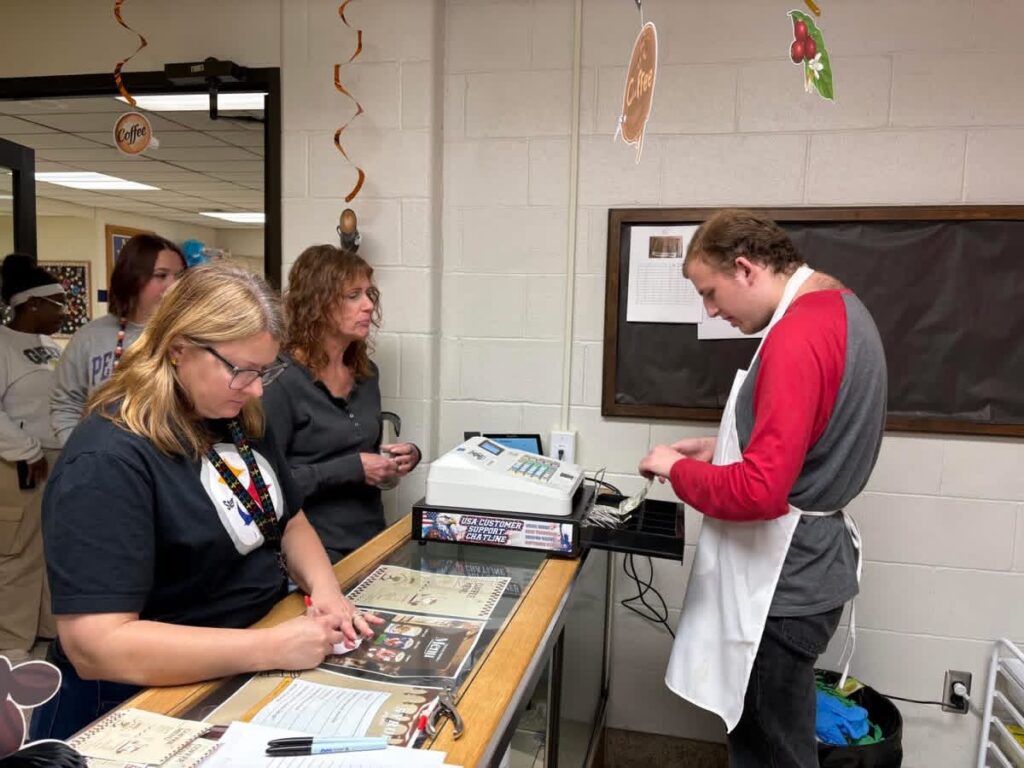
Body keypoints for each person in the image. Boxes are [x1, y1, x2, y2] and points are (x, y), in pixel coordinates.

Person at [31, 264, 382, 741]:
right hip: (128, 702)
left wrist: (327, 592)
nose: (257, 388)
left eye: (264, 371)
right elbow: (97, 645)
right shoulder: (106, 459)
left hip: (235, 663)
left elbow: (289, 518)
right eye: (242, 371)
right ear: (179, 350)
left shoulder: (236, 415)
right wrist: (271, 646)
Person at [637, 209, 886, 768]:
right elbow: (800, 442)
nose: (711, 310)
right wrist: (716, 448)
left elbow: (758, 492)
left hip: (782, 588)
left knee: (769, 752)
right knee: (779, 738)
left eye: (710, 292)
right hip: (811, 574)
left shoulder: (796, 336)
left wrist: (674, 470)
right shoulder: (840, 308)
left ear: (745, 268)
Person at [263, 245, 420, 563]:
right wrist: (351, 468)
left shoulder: (366, 373)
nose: (368, 306)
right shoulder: (278, 381)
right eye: (354, 295)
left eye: (369, 294)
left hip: (371, 539)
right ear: (317, 303)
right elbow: (266, 486)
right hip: (310, 555)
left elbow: (365, 451)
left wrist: (403, 458)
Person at [50, 233, 186, 445]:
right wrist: (78, 453)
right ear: (132, 279)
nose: (173, 286)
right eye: (161, 275)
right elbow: (66, 403)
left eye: (179, 276)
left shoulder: (194, 337)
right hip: (103, 459)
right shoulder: (91, 336)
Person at [0, 255, 64, 662]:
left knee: (52, 548)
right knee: (18, 553)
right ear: (32, 304)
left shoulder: (48, 346)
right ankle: (11, 640)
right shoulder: (2, 345)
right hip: (18, 463)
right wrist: (26, 450)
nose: (64, 310)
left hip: (56, 458)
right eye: (58, 302)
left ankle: (46, 625)